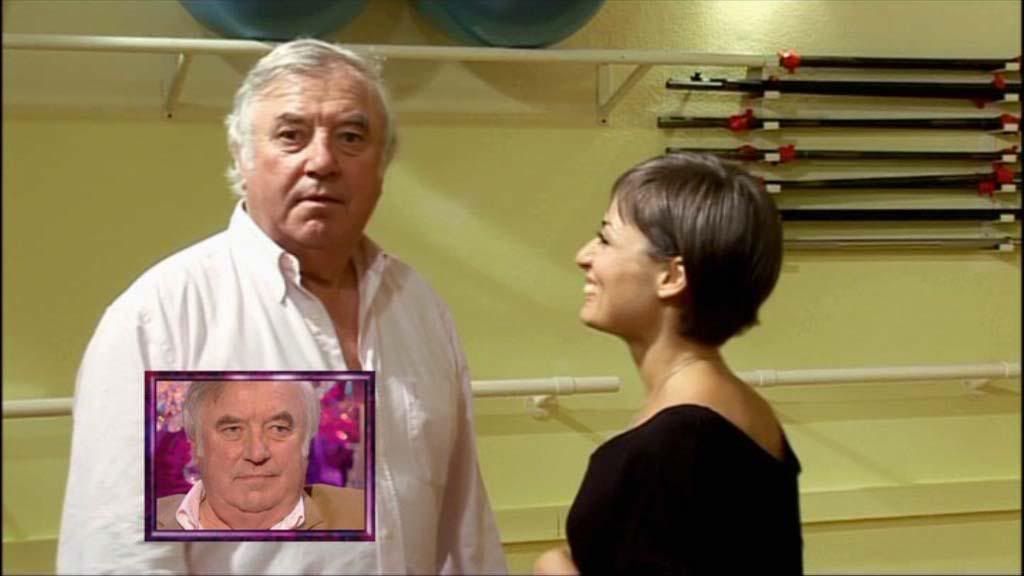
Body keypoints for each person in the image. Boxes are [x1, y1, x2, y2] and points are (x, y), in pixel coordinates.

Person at [58, 39, 506, 574]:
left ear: (382, 166)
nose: (323, 161)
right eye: (292, 135)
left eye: (351, 137)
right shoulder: (164, 320)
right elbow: (120, 554)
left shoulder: (418, 308)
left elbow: (464, 525)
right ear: (243, 157)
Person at [534, 153, 802, 574]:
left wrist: (553, 567)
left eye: (605, 239)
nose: (583, 256)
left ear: (672, 276)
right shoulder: (734, 411)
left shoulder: (675, 442)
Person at [154, 380, 365, 531]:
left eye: (279, 429)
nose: (256, 454)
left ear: (306, 443)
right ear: (196, 445)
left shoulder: (364, 516)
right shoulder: (144, 522)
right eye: (232, 430)